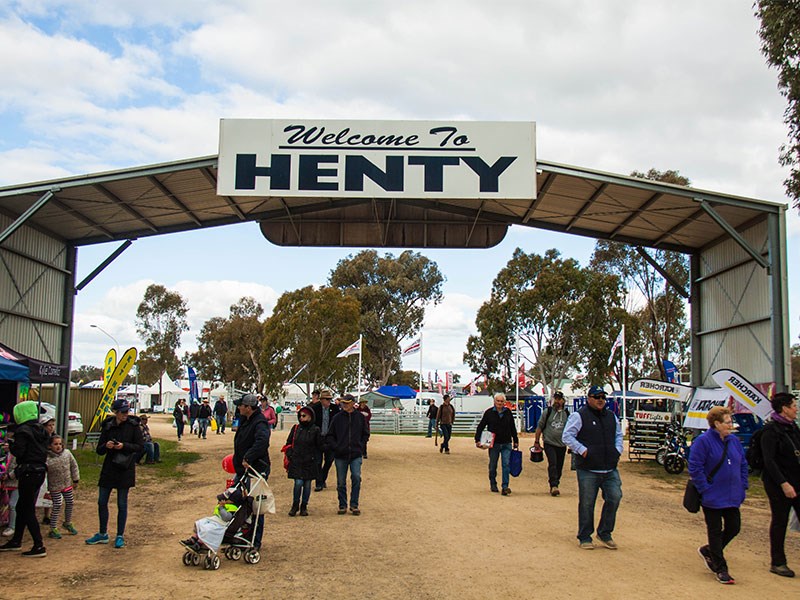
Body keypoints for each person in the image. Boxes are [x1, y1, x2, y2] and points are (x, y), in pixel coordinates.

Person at [688, 406, 748, 585]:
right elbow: (695, 467)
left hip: (732, 495)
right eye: (728, 422)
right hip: (712, 496)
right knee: (714, 531)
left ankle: (710, 551)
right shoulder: (703, 441)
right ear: (716, 424)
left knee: (734, 527)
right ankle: (721, 567)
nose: (731, 425)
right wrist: (705, 489)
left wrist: (743, 485)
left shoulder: (734, 441)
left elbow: (743, 464)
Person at [562, 385, 623, 550]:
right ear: (589, 398)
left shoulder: (612, 417)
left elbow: (618, 434)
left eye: (603, 397)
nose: (600, 400)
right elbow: (567, 436)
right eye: (597, 397)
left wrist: (618, 450)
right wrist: (583, 451)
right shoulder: (579, 416)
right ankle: (585, 536)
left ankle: (604, 533)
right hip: (588, 469)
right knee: (587, 503)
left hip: (609, 468)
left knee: (615, 497)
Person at [85, 398, 143, 549]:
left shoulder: (133, 426)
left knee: (122, 504)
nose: (126, 414)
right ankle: (102, 533)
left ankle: (120, 535)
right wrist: (107, 445)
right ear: (115, 412)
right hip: (109, 468)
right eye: (123, 412)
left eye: (127, 411)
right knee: (102, 501)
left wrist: (124, 446)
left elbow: (140, 446)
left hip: (125, 468)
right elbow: (99, 449)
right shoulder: (108, 426)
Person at [0, 400, 49, 557]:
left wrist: (11, 447)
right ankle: (16, 541)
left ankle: (38, 545)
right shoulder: (41, 430)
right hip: (40, 471)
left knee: (27, 509)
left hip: (28, 472)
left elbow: (20, 452)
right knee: (22, 507)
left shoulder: (23, 430)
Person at [761, 392, 800, 578]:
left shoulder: (792, 428)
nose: (796, 409)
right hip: (778, 484)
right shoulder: (770, 431)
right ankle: (778, 562)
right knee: (780, 520)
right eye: (793, 405)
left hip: (797, 480)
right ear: (784, 408)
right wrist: (784, 483)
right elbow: (769, 461)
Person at [232, 393, 270, 550]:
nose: (238, 407)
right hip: (243, 470)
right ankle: (242, 535)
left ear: (248, 407)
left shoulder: (259, 422)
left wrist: (248, 456)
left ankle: (255, 540)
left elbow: (262, 441)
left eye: (240, 405)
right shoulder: (245, 420)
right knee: (237, 501)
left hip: (256, 469)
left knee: (255, 506)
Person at [327, 394, 369, 515]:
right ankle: (342, 504)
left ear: (352, 403)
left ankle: (354, 504)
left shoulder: (360, 418)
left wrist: (360, 446)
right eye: (343, 403)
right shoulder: (337, 418)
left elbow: (365, 433)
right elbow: (330, 435)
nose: (344, 405)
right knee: (341, 481)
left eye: (346, 403)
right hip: (340, 455)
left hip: (355, 454)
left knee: (356, 477)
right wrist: (336, 447)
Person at [474, 393, 519, 495]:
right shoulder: (489, 413)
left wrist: (516, 440)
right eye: (498, 401)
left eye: (501, 401)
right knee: (493, 464)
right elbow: (481, 426)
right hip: (494, 444)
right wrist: (477, 439)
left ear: (504, 402)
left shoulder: (508, 413)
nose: (500, 403)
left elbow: (512, 427)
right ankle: (493, 482)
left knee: (506, 464)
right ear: (494, 401)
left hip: (506, 443)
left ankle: (505, 486)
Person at [285, 406, 322, 517]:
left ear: (310, 416)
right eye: (300, 416)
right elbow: (288, 443)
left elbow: (319, 445)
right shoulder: (296, 428)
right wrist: (290, 454)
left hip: (309, 461)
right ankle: (295, 504)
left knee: (307, 485)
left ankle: (304, 506)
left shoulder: (315, 430)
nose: (301, 418)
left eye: (304, 416)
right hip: (296, 460)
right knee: (298, 483)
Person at [534, 391, 570, 496]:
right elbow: (540, 426)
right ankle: (553, 485)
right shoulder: (548, 412)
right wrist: (536, 441)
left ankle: (556, 482)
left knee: (559, 466)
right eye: (556, 399)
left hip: (562, 444)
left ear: (563, 400)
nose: (557, 401)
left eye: (559, 399)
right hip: (549, 442)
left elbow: (571, 430)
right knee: (553, 463)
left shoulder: (566, 414)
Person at [45, 434, 80, 539]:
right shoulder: (47, 459)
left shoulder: (67, 454)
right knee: (57, 505)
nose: (58, 446)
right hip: (54, 486)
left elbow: (74, 466)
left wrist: (76, 479)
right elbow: (44, 475)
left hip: (67, 484)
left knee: (70, 502)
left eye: (60, 444)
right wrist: (46, 490)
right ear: (50, 446)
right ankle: (53, 528)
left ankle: (67, 522)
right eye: (55, 444)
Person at [311, 389, 340, 491]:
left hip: (330, 439)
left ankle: (323, 478)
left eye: (329, 399)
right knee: (317, 461)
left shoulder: (335, 409)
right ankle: (319, 483)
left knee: (329, 460)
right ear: (321, 400)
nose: (328, 401)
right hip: (318, 439)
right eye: (326, 399)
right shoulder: (314, 409)